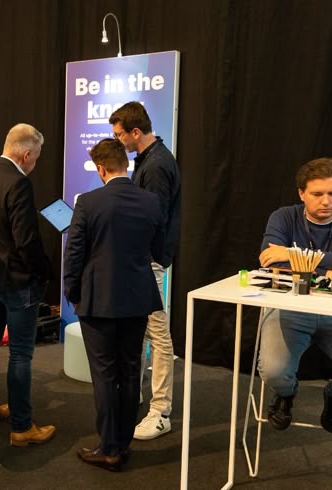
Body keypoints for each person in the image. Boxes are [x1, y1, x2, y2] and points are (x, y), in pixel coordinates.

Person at [64, 138, 164, 471]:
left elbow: (74, 254)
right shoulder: (151, 201)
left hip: (98, 301)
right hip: (138, 298)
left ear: (101, 168)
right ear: (126, 164)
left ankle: (109, 448)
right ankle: (122, 443)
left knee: (105, 374)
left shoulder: (88, 202)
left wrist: (72, 292)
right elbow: (160, 249)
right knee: (131, 370)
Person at [0, 123, 56, 447]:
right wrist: (44, 272)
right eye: (37, 157)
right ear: (27, 154)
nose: (36, 163)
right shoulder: (18, 183)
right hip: (18, 281)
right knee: (21, 354)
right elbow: (26, 241)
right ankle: (22, 427)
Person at [109, 101, 181, 440]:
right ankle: (135, 392)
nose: (117, 140)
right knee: (139, 328)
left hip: (147, 259)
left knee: (157, 332)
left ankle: (161, 411)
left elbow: (153, 218)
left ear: (135, 132)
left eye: (119, 134)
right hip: (143, 258)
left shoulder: (156, 166)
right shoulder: (149, 160)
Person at [258, 157, 332, 432]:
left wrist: (292, 255)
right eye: (317, 194)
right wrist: (326, 267)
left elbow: (283, 257)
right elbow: (270, 260)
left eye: (331, 194)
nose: (326, 201)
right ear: (302, 194)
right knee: (274, 372)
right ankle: (286, 394)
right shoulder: (284, 217)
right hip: (290, 308)